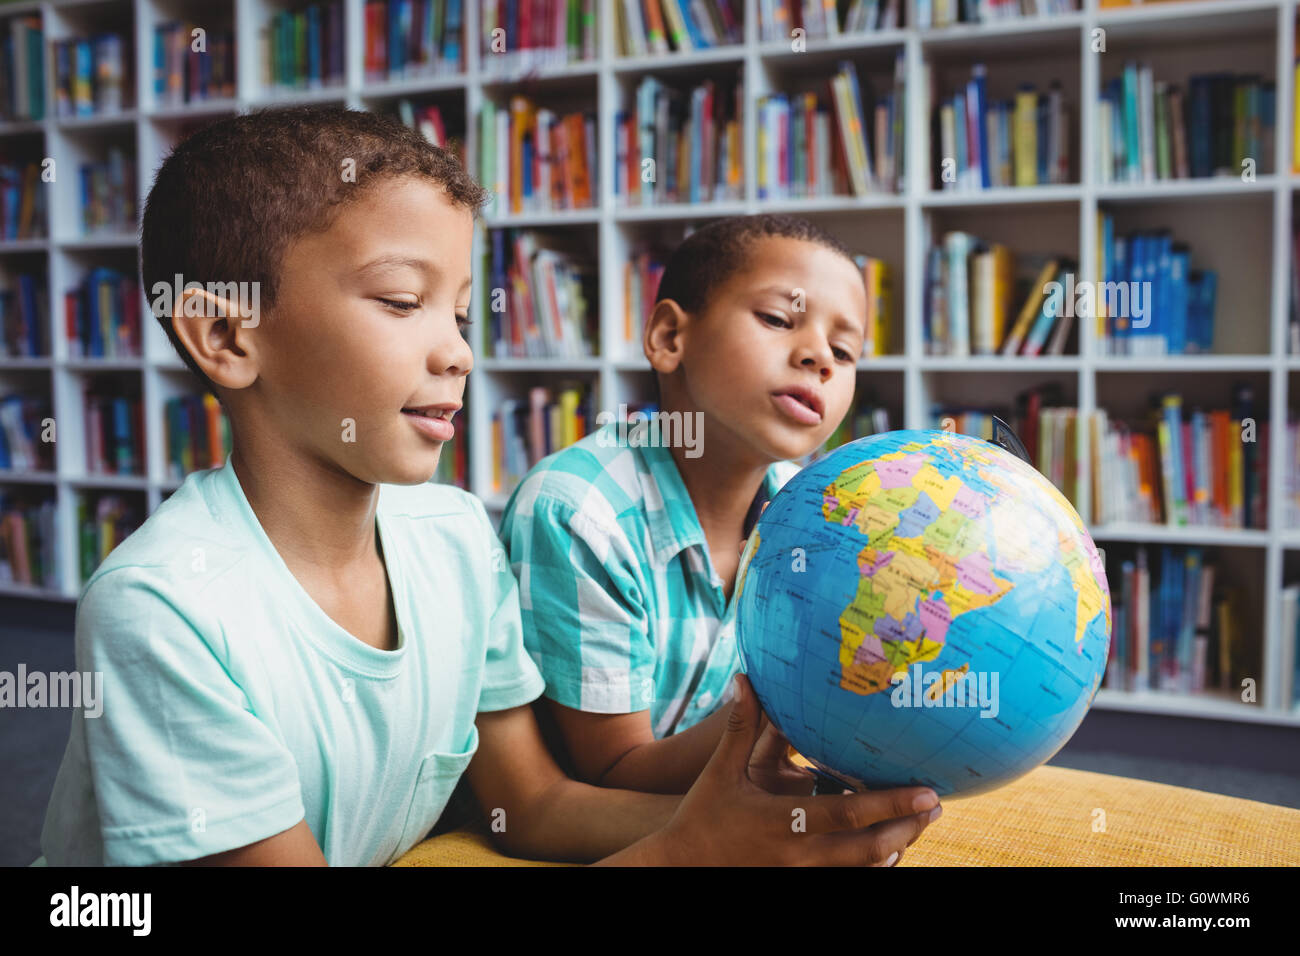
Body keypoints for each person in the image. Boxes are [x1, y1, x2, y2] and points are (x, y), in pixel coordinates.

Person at [38, 108, 939, 866]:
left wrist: (737, 833)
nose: (459, 351)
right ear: (229, 336)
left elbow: (534, 804)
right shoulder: (161, 613)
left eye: (461, 313)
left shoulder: (455, 534)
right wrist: (678, 852)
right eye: (401, 302)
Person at [499, 215, 874, 795]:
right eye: (778, 319)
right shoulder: (580, 512)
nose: (820, 358)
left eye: (845, 351)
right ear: (670, 338)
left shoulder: (819, 516)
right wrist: (812, 708)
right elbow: (612, 773)